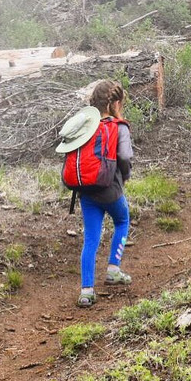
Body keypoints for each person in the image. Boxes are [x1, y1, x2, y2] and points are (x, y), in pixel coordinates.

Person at [66, 80, 134, 308]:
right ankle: (113, 269)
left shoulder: (85, 126)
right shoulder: (119, 127)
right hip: (111, 189)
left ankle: (86, 291)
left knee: (90, 240)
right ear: (115, 103)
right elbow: (124, 156)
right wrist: (125, 176)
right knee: (122, 220)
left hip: (86, 191)